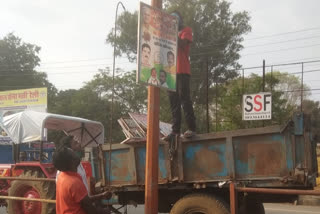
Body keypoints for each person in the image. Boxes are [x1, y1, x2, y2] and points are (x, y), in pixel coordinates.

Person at [165, 11, 196, 139]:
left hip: (182, 70)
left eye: (176, 19)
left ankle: (191, 128)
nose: (174, 21)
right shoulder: (167, 33)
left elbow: (182, 44)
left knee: (185, 98)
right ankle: (175, 131)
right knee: (174, 102)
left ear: (180, 20)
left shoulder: (186, 30)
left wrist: (171, 30)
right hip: (169, 72)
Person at [53, 147, 110, 214]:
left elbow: (82, 200)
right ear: (72, 161)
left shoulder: (62, 176)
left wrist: (101, 195)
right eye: (73, 153)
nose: (76, 154)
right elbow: (89, 208)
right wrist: (104, 212)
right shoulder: (74, 183)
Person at [56, 136, 110, 200]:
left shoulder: (76, 163)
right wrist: (100, 196)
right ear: (69, 150)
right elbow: (82, 200)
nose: (78, 144)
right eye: (75, 143)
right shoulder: (68, 171)